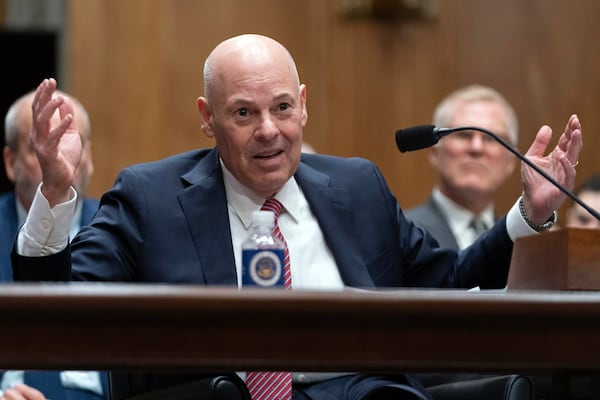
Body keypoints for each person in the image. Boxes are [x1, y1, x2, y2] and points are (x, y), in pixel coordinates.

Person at [11, 34, 582, 400]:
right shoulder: (150, 196)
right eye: (243, 113)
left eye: (283, 108)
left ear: (303, 104)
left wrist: (528, 215)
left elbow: (448, 283)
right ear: (207, 118)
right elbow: (64, 307)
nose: (268, 130)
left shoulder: (356, 187)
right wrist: (58, 192)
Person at [0, 90, 107, 399]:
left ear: (90, 157)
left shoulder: (121, 229)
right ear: (11, 162)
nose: (59, 159)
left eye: (70, 143)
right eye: (41, 147)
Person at [405, 84, 518, 251]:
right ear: (434, 152)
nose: (476, 148)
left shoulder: (523, 241)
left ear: (511, 161)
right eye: (463, 135)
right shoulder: (400, 233)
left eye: (491, 138)